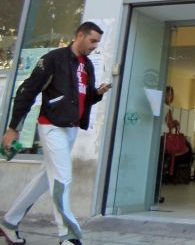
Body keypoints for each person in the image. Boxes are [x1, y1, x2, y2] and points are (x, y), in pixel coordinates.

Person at [0, 22, 112, 245]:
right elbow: (27, 91)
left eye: (98, 42)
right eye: (92, 41)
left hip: (71, 129)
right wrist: (13, 128)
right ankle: (68, 235)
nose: (95, 46)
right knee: (63, 178)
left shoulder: (87, 65)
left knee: (45, 180)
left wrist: (97, 93)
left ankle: (9, 223)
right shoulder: (53, 59)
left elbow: (85, 98)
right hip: (51, 126)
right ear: (80, 35)